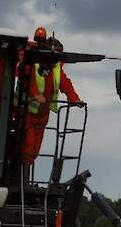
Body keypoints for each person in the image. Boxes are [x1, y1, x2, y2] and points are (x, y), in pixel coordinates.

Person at [21, 29, 83, 165]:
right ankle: (22, 178)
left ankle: (25, 178)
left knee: (35, 149)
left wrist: (75, 99)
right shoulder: (30, 64)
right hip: (26, 113)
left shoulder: (56, 69)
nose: (57, 58)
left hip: (43, 115)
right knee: (28, 148)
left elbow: (65, 83)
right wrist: (34, 95)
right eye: (56, 55)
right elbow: (23, 80)